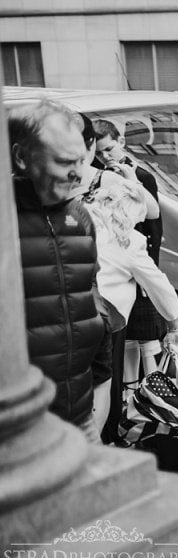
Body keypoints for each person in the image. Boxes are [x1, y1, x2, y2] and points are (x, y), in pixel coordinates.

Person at [8, 100, 106, 443]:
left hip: (79, 413)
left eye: (81, 160)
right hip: (19, 426)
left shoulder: (79, 217)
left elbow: (87, 290)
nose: (79, 173)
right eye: (65, 162)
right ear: (22, 158)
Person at [81, 180, 178, 435]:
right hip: (106, 321)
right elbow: (159, 285)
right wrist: (174, 325)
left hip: (69, 315)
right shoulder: (129, 241)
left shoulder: (81, 221)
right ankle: (101, 441)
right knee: (105, 387)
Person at [93, 118, 167, 405]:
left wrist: (150, 267)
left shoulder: (143, 176)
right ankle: (126, 397)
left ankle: (151, 399)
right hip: (113, 268)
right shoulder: (98, 178)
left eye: (109, 149)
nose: (105, 157)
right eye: (99, 153)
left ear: (121, 142)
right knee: (123, 336)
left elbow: (154, 226)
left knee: (147, 338)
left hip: (140, 262)